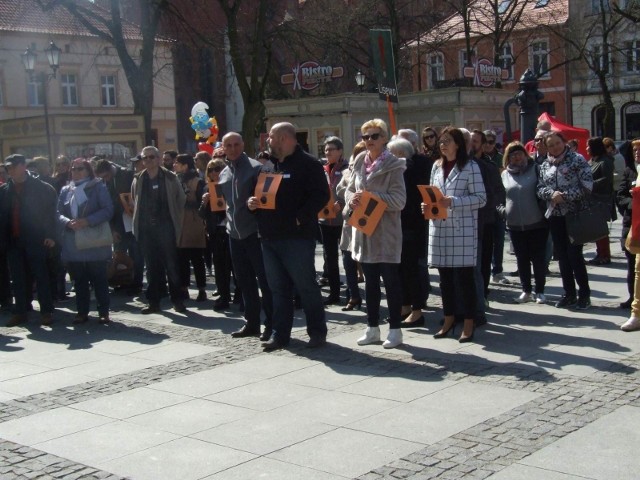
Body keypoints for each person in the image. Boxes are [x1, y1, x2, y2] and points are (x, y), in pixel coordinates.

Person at [247, 122, 329, 351]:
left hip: (297, 238)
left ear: (283, 138)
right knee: (277, 289)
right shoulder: (267, 166)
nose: (267, 142)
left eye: (270, 137)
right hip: (269, 237)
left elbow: (321, 196)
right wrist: (251, 203)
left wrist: (300, 217)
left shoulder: (309, 164)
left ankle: (317, 332)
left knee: (306, 286)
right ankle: (279, 334)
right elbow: (254, 195)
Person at [345, 119, 407, 349]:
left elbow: (400, 200)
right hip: (363, 230)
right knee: (370, 283)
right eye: (365, 137)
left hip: (385, 233)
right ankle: (372, 327)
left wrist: (374, 197)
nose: (368, 141)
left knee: (390, 282)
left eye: (374, 136)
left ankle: (395, 330)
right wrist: (352, 199)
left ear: (384, 138)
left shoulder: (394, 165)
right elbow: (349, 189)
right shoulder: (360, 161)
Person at [428, 127, 486, 343]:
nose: (442, 144)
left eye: (448, 141)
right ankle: (449, 318)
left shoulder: (470, 167)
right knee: (445, 280)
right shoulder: (436, 166)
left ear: (458, 144)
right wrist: (427, 205)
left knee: (464, 280)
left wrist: (454, 202)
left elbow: (481, 198)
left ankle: (469, 322)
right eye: (441, 141)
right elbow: (434, 193)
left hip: (462, 230)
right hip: (440, 228)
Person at [214, 132, 273, 339]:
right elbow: (227, 204)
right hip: (234, 234)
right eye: (228, 145)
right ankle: (252, 322)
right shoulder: (224, 173)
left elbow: (266, 201)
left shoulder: (256, 168)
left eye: (236, 144)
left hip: (254, 234)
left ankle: (270, 324)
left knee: (264, 281)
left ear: (243, 144)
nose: (232, 148)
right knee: (244, 281)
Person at [537, 131, 594, 310]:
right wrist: (550, 194)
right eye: (551, 145)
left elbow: (587, 186)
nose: (554, 147)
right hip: (555, 216)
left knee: (575, 255)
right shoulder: (545, 164)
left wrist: (565, 196)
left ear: (564, 142)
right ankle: (569, 293)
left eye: (557, 143)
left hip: (574, 215)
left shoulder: (577, 159)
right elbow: (539, 188)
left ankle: (584, 294)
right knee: (562, 256)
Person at [0, 154, 58, 327]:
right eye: (7, 167)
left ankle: (46, 311)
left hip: (36, 239)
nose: (9, 170)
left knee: (41, 276)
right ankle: (21, 311)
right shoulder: (4, 190)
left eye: (12, 166)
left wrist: (50, 235)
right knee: (17, 278)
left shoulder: (41, 188)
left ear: (22, 166)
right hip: (13, 240)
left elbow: (50, 214)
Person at [131, 146, 187, 314]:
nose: (148, 160)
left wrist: (174, 217)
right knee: (152, 266)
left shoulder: (170, 177)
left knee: (171, 265)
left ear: (158, 158)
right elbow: (135, 199)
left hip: (166, 227)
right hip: (147, 229)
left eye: (151, 157)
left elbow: (180, 198)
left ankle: (177, 300)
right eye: (145, 158)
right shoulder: (138, 178)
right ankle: (153, 302)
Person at [57, 158, 114, 324]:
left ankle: (104, 311)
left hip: (94, 239)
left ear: (88, 171)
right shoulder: (66, 189)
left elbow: (108, 210)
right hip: (73, 239)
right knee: (79, 280)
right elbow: (58, 212)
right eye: (73, 169)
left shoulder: (98, 187)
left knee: (99, 279)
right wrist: (67, 222)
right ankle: (82, 312)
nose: (75, 172)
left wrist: (88, 220)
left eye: (80, 169)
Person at [498, 142, 548, 303]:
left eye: (519, 153)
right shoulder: (505, 175)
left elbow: (543, 191)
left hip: (536, 223)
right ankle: (526, 290)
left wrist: (542, 213)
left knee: (538, 258)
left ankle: (539, 290)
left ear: (525, 154)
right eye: (513, 155)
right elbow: (498, 198)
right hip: (514, 225)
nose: (517, 157)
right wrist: (503, 211)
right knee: (522, 259)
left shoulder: (536, 169)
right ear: (508, 158)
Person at [386, 136, 427, 327]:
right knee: (400, 270)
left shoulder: (410, 169)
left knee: (411, 270)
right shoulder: (399, 169)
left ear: (401, 154)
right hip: (398, 226)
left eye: (391, 153)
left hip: (410, 225)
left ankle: (417, 311)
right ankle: (405, 306)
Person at [94, 159, 143, 295]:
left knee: (136, 254)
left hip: (131, 219)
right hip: (117, 223)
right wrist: (112, 228)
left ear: (111, 169)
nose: (105, 179)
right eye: (102, 177)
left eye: (106, 176)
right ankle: (122, 280)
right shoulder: (103, 182)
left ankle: (136, 283)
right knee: (119, 253)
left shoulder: (127, 174)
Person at [199, 157, 233, 310]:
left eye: (217, 169)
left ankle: (239, 294)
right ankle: (224, 295)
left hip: (229, 230)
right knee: (218, 265)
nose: (213, 173)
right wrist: (204, 202)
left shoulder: (229, 185)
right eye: (210, 170)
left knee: (233, 265)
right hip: (215, 231)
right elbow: (201, 214)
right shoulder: (207, 188)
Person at [336, 141, 366, 312]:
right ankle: (353, 295)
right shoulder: (349, 171)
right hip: (349, 222)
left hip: (367, 221)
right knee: (348, 261)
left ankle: (372, 296)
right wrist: (351, 194)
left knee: (368, 265)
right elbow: (339, 189)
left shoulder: (372, 171)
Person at [173, 153, 208, 303]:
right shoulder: (175, 180)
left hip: (194, 224)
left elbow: (202, 203)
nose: (174, 165)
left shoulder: (198, 182)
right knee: (182, 259)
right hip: (180, 224)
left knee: (197, 259)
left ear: (185, 165)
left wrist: (186, 203)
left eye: (177, 163)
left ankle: (201, 289)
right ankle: (184, 288)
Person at [318, 136, 348, 306]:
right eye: (326, 149)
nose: (327, 152)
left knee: (348, 259)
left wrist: (342, 203)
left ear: (340, 151)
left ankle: (352, 293)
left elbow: (353, 189)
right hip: (325, 220)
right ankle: (334, 294)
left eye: (331, 149)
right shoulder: (322, 169)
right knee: (330, 259)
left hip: (342, 220)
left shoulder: (347, 168)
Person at [617, 140, 639, 310]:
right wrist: (635, 203)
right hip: (631, 225)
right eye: (634, 150)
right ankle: (632, 298)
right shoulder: (629, 171)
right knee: (632, 265)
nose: (636, 152)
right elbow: (620, 196)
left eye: (639, 150)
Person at [586, 137, 615, 265]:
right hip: (592, 200)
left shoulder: (605, 161)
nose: (587, 149)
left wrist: (589, 185)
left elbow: (606, 180)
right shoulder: (592, 161)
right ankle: (600, 253)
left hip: (602, 200)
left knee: (601, 230)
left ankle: (604, 255)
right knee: (596, 229)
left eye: (588, 146)